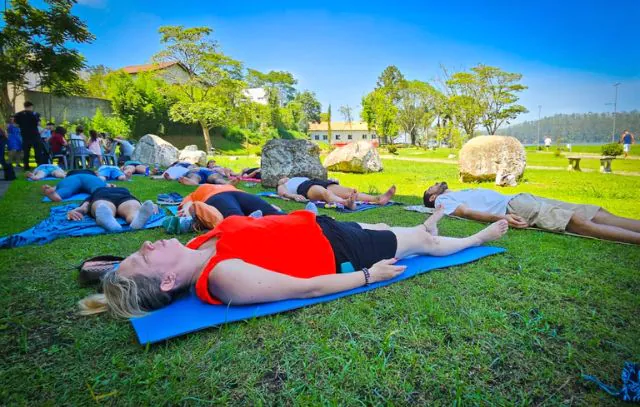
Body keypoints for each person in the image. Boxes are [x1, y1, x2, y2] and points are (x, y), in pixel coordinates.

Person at [77, 205, 509, 317]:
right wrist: (366, 276)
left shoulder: (199, 243)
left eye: (139, 248)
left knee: (388, 228)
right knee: (422, 246)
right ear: (169, 280)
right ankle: (476, 237)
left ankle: (426, 227)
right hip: (342, 254)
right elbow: (307, 288)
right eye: (143, 256)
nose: (147, 245)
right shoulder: (221, 276)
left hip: (322, 227)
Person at [422, 182, 640, 245]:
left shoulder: (457, 191)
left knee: (596, 212)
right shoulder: (443, 200)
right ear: (432, 198)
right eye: (431, 188)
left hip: (521, 198)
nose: (435, 185)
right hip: (514, 208)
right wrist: (501, 217)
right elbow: (466, 212)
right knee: (578, 222)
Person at [66, 186, 158, 232]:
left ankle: (136, 220)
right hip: (102, 197)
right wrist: (77, 210)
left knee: (133, 207)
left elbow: (141, 203)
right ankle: (107, 220)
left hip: (125, 198)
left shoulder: (123, 189)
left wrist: (148, 205)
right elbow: (85, 205)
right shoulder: (98, 189)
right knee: (102, 206)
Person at [277, 176, 396, 210]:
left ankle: (378, 199)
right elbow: (283, 193)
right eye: (281, 177)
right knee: (325, 193)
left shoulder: (296, 177)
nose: (284, 177)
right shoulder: (282, 185)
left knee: (348, 191)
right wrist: (293, 195)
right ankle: (346, 203)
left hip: (315, 181)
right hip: (304, 188)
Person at [14, 101, 45, 169]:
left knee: (26, 152)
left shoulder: (18, 114)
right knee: (38, 151)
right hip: (35, 135)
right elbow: (39, 124)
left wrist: (23, 125)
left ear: (24, 106)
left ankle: (26, 166)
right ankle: (39, 166)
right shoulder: (35, 114)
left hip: (25, 135)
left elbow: (16, 125)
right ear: (31, 106)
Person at [41, 170, 106, 202]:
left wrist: (53, 188)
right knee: (97, 188)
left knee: (67, 188)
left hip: (72, 178)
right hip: (89, 177)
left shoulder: (70, 173)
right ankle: (101, 196)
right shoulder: (91, 172)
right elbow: (100, 178)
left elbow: (61, 182)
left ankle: (57, 194)